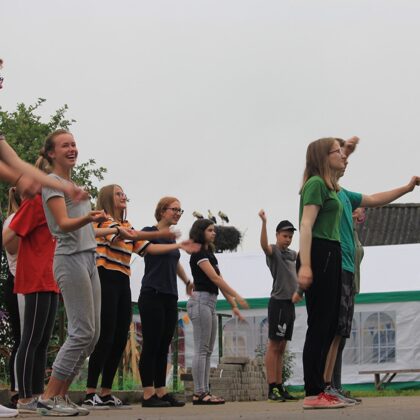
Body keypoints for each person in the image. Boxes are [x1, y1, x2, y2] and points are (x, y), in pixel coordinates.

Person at [322, 138, 420, 403]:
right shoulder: (325, 189)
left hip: (348, 274)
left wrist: (407, 188)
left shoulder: (346, 195)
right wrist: (346, 150)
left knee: (341, 333)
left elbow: (376, 199)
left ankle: (332, 386)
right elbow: (325, 172)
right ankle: (325, 386)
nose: (345, 160)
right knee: (333, 332)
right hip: (335, 267)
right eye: (339, 155)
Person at [83, 184, 178, 409]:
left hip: (123, 280)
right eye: (118, 194)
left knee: (119, 337)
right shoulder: (102, 221)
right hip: (105, 276)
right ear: (108, 198)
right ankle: (90, 392)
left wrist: (179, 245)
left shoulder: (127, 225)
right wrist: (155, 233)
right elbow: (118, 236)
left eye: (124, 193)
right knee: (105, 335)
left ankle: (106, 392)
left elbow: (147, 249)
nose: (123, 196)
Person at [36, 129, 108, 417]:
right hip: (69, 259)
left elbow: (83, 229)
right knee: (81, 331)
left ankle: (61, 396)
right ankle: (48, 397)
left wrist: (105, 228)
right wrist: (88, 216)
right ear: (51, 153)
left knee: (93, 335)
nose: (72, 149)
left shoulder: (72, 185)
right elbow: (63, 224)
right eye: (65, 145)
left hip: (89, 257)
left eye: (74, 144)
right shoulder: (53, 183)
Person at [3, 156, 60, 415]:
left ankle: (37, 395)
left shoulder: (52, 204)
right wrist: (19, 239)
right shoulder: (35, 202)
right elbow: (8, 237)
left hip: (50, 277)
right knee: (30, 339)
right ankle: (25, 397)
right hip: (34, 277)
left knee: (42, 341)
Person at [297, 137, 346, 410]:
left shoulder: (330, 186)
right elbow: (306, 225)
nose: (342, 155)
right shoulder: (315, 183)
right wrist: (306, 264)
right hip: (319, 252)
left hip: (332, 252)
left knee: (329, 324)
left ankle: (320, 390)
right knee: (319, 324)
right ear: (322, 157)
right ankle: (312, 392)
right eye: (337, 151)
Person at [138, 196, 199, 408]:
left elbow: (174, 262)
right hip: (152, 294)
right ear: (162, 210)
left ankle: (161, 391)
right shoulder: (150, 231)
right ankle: (148, 394)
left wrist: (187, 281)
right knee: (151, 343)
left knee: (164, 345)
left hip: (169, 295)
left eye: (180, 210)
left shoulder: (172, 240)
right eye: (174, 209)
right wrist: (179, 245)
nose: (177, 213)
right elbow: (150, 250)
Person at [187, 219, 248, 405]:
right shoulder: (198, 253)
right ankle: (199, 392)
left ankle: (204, 391)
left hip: (210, 303)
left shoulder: (210, 255)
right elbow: (214, 278)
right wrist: (237, 295)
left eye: (214, 230)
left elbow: (220, 280)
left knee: (207, 350)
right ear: (200, 232)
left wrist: (233, 305)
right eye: (210, 230)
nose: (213, 233)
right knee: (201, 349)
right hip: (200, 301)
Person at [258, 210, 298, 402]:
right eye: (285, 236)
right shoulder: (274, 251)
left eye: (290, 236)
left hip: (290, 304)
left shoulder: (292, 254)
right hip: (278, 303)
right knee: (274, 345)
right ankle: (271, 387)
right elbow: (264, 246)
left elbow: (305, 258)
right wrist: (264, 222)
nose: (288, 239)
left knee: (282, 347)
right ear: (277, 235)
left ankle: (280, 386)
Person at [2, 188, 22, 410]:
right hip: (17, 282)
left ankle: (30, 389)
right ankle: (16, 391)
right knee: (22, 338)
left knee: (34, 339)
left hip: (32, 283)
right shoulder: (13, 220)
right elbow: (12, 247)